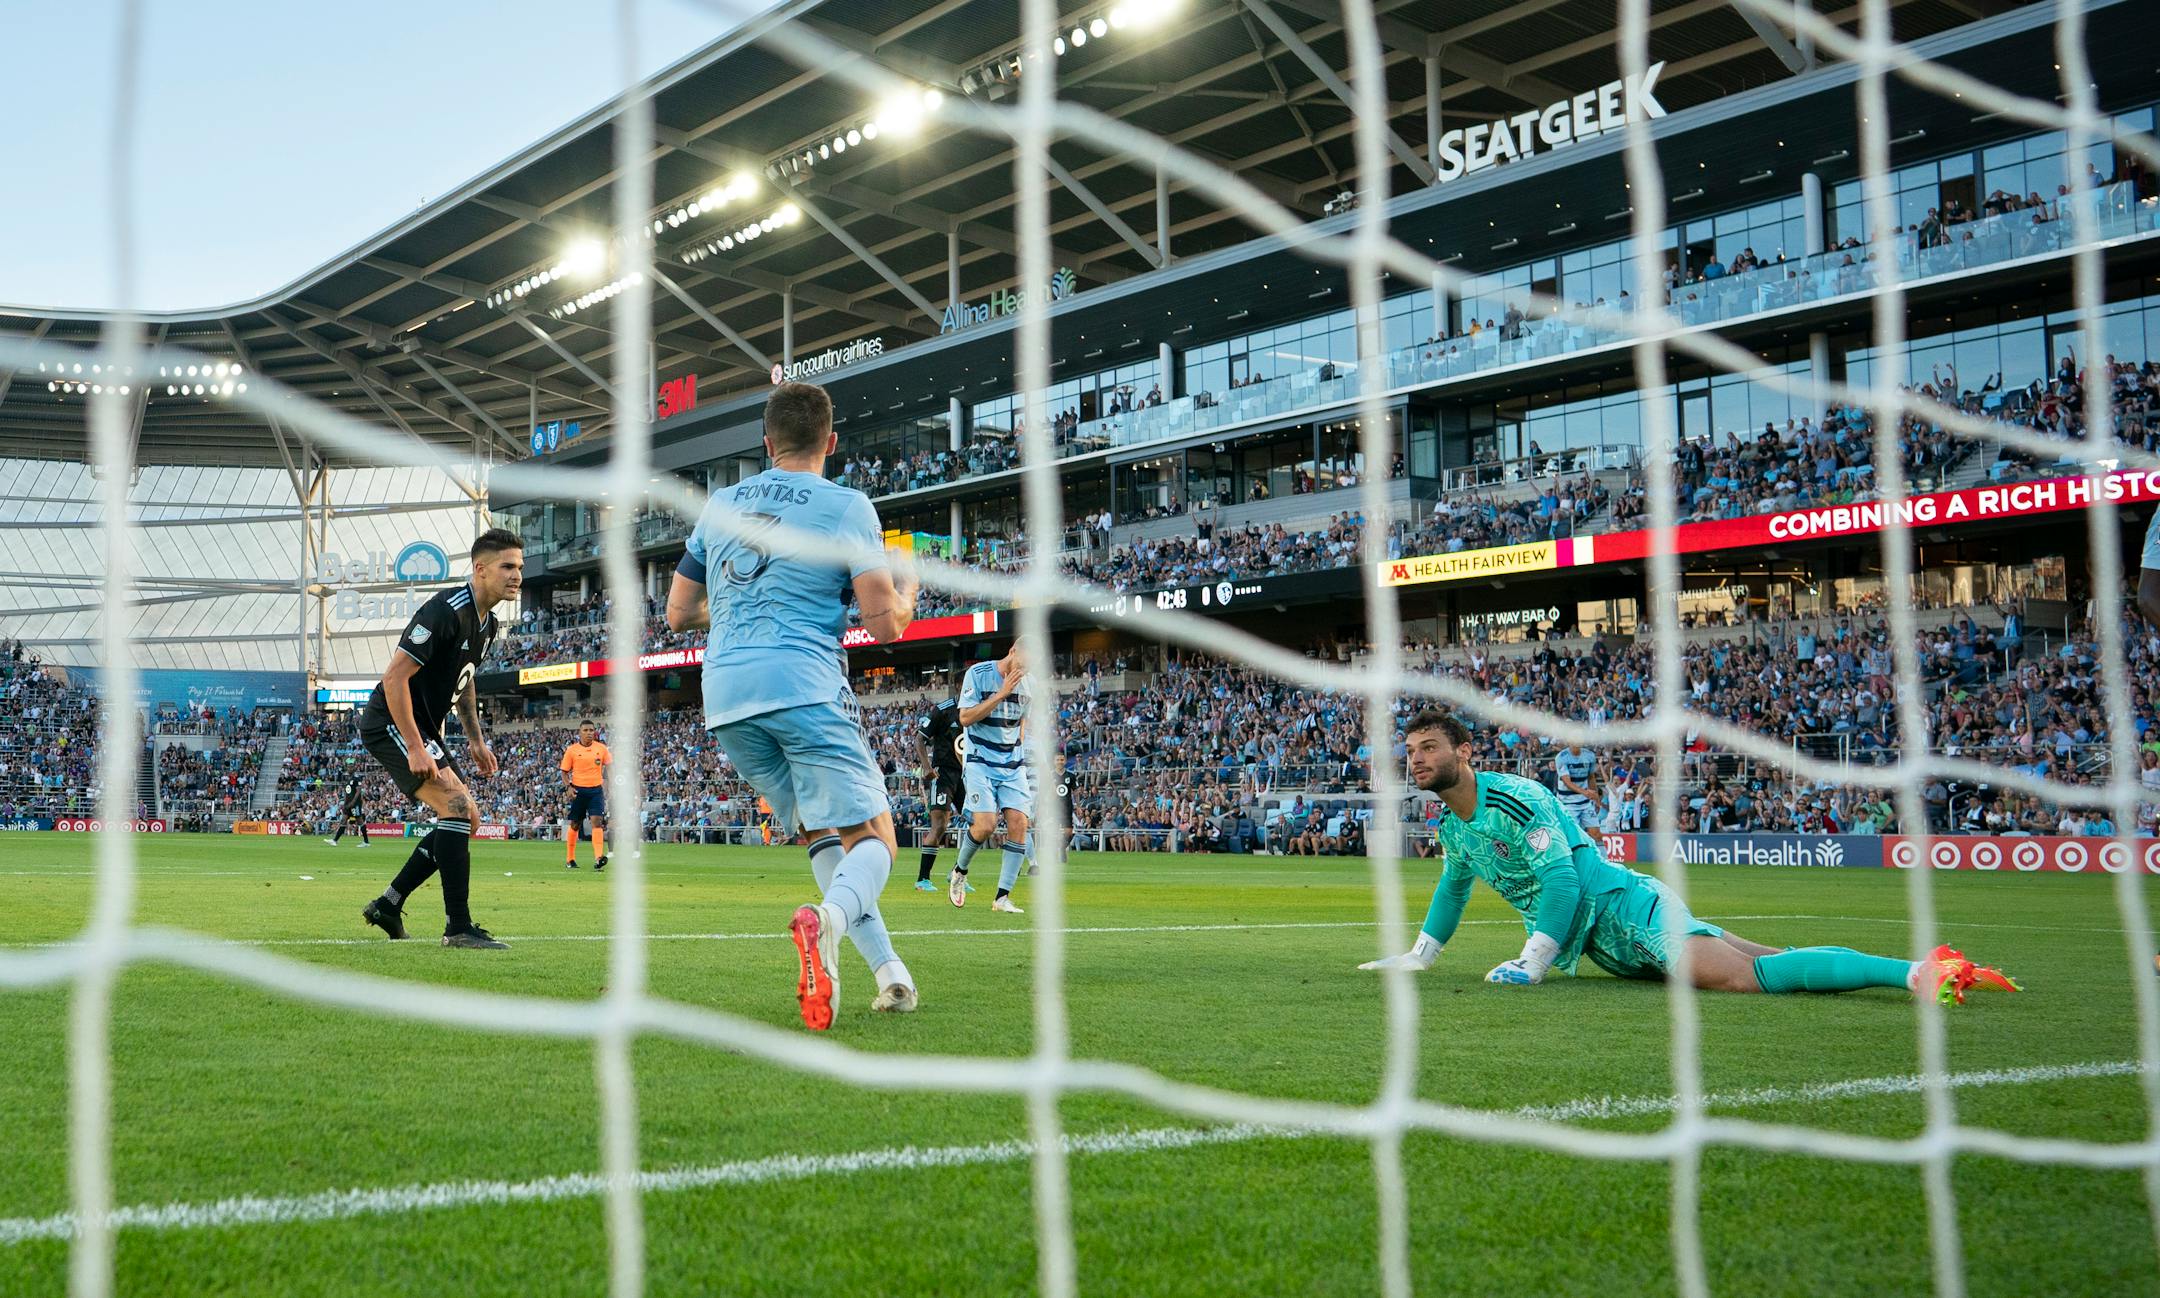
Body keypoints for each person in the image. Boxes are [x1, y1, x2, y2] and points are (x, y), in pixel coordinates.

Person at [1359, 712, 2018, 1002]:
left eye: (1427, 748)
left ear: (1463, 752)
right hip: (1604, 944)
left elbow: (1560, 883)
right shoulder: (1456, 823)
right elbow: (1453, 890)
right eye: (1411, 751)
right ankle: (1920, 968)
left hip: (1623, 909)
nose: (1416, 760)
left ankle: (1916, 974)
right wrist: (1421, 956)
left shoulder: (1518, 799)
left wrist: (1533, 964)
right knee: (1767, 961)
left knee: (1738, 980)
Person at [665, 380, 921, 1030]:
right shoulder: (846, 506)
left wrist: (733, 611)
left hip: (725, 695)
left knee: (818, 833)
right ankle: (827, 922)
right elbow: (883, 625)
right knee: (878, 837)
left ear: (766, 441)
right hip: (802, 685)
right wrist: (908, 590)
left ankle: (889, 974)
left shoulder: (721, 503)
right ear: (830, 442)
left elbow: (677, 613)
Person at [357, 529, 521, 950]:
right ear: (480, 569)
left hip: (427, 728)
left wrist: (476, 740)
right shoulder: (445, 610)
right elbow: (394, 678)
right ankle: (458, 927)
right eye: (507, 566)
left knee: (468, 818)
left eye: (519, 566)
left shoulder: (489, 623)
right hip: (390, 719)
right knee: (456, 807)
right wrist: (413, 745)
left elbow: (464, 683)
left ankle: (389, 905)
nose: (516, 575)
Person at [948, 642, 1032, 913]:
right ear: (1013, 651)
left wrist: (1019, 740)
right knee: (985, 826)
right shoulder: (979, 674)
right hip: (980, 761)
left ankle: (1002, 898)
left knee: (1020, 823)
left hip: (1012, 764)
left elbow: (1023, 720)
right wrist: (1002, 693)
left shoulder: (1032, 686)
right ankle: (959, 871)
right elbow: (965, 718)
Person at [913, 695, 966, 892]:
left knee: (979, 823)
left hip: (966, 774)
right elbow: (920, 738)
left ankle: (957, 873)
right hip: (942, 773)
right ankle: (922, 879)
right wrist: (926, 767)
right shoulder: (943, 709)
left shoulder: (978, 708)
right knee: (940, 825)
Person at [560, 721, 612, 871]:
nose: (589, 732)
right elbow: (564, 771)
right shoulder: (572, 750)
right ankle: (570, 859)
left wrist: (609, 784)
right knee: (575, 824)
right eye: (586, 730)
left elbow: (609, 767)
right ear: (580, 732)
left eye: (592, 730)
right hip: (578, 791)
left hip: (596, 790)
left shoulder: (601, 748)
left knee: (597, 821)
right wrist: (568, 787)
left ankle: (598, 858)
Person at [1553, 742, 1600, 830]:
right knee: (1574, 833)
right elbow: (1567, 782)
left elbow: (1591, 777)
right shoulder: (1561, 757)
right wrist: (1585, 792)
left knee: (1595, 832)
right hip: (1567, 803)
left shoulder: (1590, 755)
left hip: (1585, 802)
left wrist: (1596, 797)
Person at [323, 771, 371, 847]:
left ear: (354, 767)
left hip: (355, 804)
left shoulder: (356, 778)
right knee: (343, 820)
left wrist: (353, 803)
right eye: (348, 766)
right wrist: (345, 804)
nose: (349, 769)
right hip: (348, 804)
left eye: (351, 766)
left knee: (360, 821)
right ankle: (335, 840)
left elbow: (358, 791)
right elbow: (347, 793)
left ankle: (366, 842)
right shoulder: (348, 779)